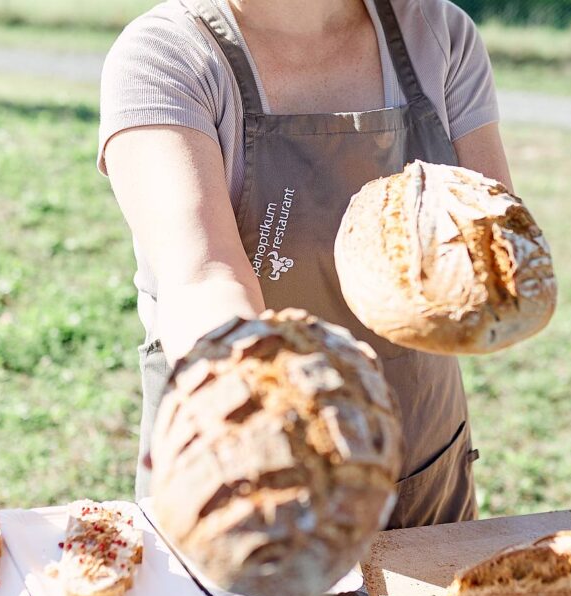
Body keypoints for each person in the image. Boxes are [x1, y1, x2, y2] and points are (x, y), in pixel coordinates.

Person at [98, 0, 513, 529]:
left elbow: (492, 246)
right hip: (247, 459)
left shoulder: (438, 34)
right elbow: (204, 276)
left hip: (420, 460)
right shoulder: (166, 56)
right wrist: (271, 423)